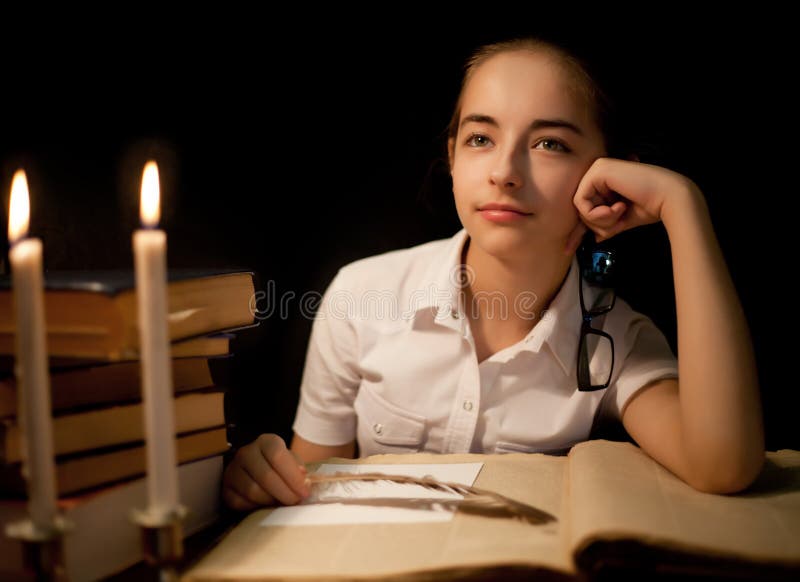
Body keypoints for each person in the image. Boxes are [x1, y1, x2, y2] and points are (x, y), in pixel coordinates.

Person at [222, 37, 764, 510]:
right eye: (481, 138)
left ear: (610, 174)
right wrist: (264, 478)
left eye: (549, 143)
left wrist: (682, 205)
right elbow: (311, 492)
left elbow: (722, 465)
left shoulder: (613, 342)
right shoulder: (361, 296)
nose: (505, 172)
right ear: (452, 157)